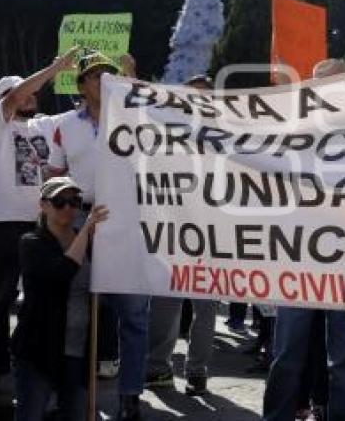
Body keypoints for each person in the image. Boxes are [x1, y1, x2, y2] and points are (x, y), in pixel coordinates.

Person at [47, 51, 147, 421]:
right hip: (78, 219)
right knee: (74, 312)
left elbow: (154, 114)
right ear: (81, 84)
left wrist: (132, 75)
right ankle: (68, 392)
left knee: (134, 312)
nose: (103, 80)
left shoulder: (132, 118)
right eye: (94, 75)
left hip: (124, 218)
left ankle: (130, 395)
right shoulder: (64, 125)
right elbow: (54, 174)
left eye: (109, 74)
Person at [263, 58, 345, 421]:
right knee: (288, 350)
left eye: (331, 82)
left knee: (344, 357)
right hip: (299, 254)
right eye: (316, 83)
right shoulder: (295, 130)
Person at [0, 48, 78, 392]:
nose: (32, 95)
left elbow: (88, 113)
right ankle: (0, 370)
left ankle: (32, 364)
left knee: (40, 299)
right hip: (3, 225)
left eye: (34, 91)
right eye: (24, 91)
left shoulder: (42, 125)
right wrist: (55, 66)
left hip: (42, 226)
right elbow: (16, 95)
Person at [145, 74, 219, 396]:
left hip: (214, 233)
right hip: (174, 228)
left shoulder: (224, 133)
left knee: (207, 306)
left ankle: (197, 370)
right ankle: (159, 366)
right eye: (193, 94)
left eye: (204, 95)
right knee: (166, 302)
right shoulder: (168, 131)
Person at [11, 176, 108, 421]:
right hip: (38, 351)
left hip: (78, 351)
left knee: (75, 414)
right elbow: (62, 272)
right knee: (30, 414)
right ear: (43, 205)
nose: (68, 208)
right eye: (60, 201)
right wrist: (86, 230)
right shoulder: (30, 242)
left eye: (74, 201)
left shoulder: (88, 239)